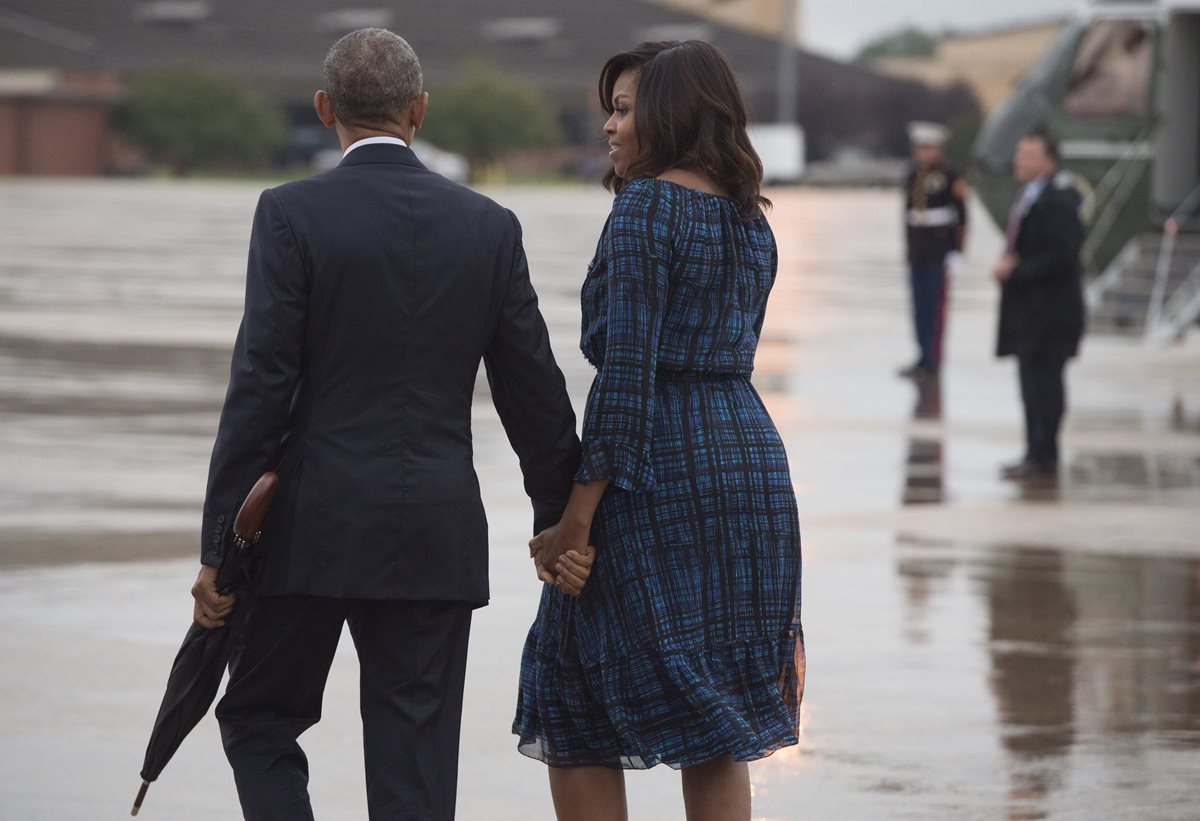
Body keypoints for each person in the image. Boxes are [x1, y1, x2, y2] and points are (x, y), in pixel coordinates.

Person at [189, 28, 580, 821]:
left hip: (310, 525)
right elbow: (533, 390)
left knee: (260, 719)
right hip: (434, 533)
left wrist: (219, 552)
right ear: (419, 110)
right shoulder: (489, 226)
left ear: (325, 108)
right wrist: (560, 520)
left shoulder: (291, 214)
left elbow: (260, 386)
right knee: (414, 758)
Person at [514, 41, 805, 821]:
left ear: (669, 115)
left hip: (663, 467)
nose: (609, 127)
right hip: (747, 460)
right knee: (714, 712)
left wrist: (572, 524)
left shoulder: (647, 208)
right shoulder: (752, 222)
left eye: (622, 109)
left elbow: (630, 377)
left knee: (568, 690)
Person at [992, 128, 1085, 481]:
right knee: (1031, 388)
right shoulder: (1031, 195)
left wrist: (1014, 272)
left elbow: (1063, 257)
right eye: (1020, 154)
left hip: (1052, 316)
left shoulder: (1059, 200)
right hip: (1031, 315)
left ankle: (1045, 457)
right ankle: (1034, 452)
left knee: (1046, 388)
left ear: (1048, 161)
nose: (1020, 161)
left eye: (1029, 155)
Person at [899, 121, 969, 380]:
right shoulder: (912, 174)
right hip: (918, 251)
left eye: (929, 147)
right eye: (920, 148)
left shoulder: (951, 174)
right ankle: (922, 355)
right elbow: (908, 216)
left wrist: (957, 251)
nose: (924, 153)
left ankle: (933, 359)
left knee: (935, 309)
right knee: (919, 308)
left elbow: (961, 215)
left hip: (939, 250)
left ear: (938, 148)